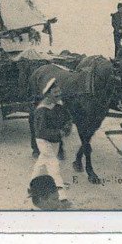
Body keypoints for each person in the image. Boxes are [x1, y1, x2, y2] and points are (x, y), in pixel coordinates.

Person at [30, 79, 71, 207]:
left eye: (59, 93)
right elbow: (40, 131)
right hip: (44, 141)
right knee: (54, 168)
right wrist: (59, 133)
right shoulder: (42, 110)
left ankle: (31, 186)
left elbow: (66, 117)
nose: (58, 96)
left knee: (41, 163)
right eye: (55, 94)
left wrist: (67, 125)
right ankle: (62, 199)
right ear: (48, 95)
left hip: (54, 141)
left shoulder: (57, 105)